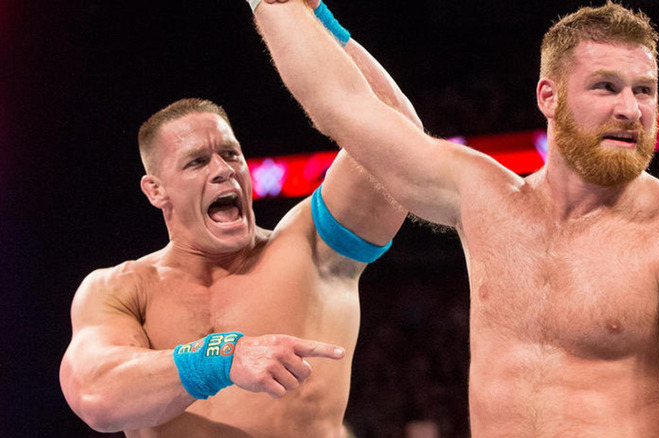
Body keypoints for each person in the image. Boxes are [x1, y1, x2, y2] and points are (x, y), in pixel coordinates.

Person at [257, 0, 659, 435]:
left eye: (644, 90)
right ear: (549, 97)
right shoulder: (488, 202)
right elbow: (344, 106)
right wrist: (298, 10)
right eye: (606, 87)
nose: (630, 109)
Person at [58, 1, 424, 435]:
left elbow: (398, 141)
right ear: (156, 190)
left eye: (231, 154)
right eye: (197, 161)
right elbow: (95, 395)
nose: (223, 169)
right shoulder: (121, 289)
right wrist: (222, 359)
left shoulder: (310, 249)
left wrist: (313, 17)